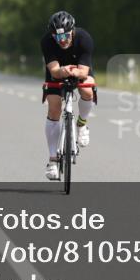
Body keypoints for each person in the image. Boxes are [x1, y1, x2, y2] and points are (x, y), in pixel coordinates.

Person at [40, 10, 95, 180]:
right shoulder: (47, 42)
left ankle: (82, 124)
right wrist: (63, 71)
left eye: (66, 36)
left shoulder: (84, 39)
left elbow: (84, 71)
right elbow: (55, 71)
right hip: (58, 72)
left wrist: (74, 71)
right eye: (58, 37)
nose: (62, 41)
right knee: (54, 106)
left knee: (87, 90)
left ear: (72, 31)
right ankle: (53, 160)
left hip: (79, 69)